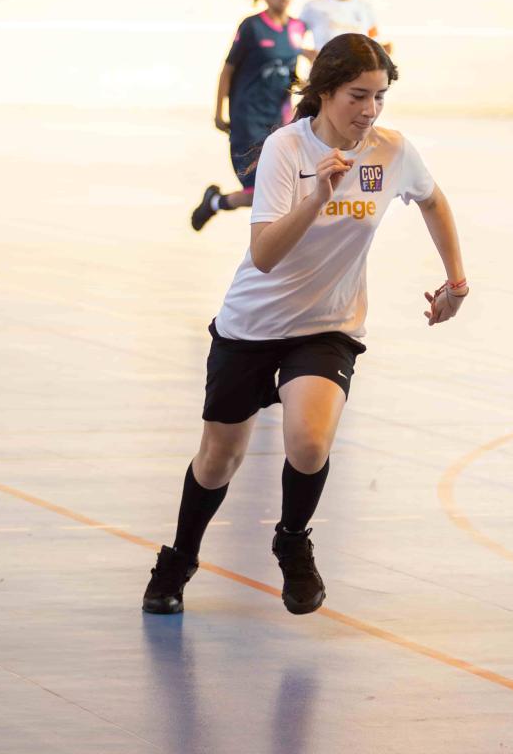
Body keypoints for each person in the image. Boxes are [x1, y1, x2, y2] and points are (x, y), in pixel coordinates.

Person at [145, 33, 470, 615]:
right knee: (219, 458)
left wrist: (457, 281)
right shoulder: (285, 150)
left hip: (327, 326)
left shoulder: (391, 151)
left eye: (379, 97)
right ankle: (180, 558)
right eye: (356, 96)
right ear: (323, 92)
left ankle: (292, 541)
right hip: (252, 325)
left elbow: (433, 200)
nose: (369, 111)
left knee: (310, 440)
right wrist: (319, 194)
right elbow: (265, 253)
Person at [191, 0, 308, 232]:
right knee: (260, 190)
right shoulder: (251, 26)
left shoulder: (297, 28)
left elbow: (290, 73)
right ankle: (220, 205)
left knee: (284, 188)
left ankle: (217, 201)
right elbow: (227, 70)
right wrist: (218, 111)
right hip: (247, 119)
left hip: (279, 121)